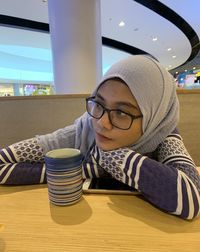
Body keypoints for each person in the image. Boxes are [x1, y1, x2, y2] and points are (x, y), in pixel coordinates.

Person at [0, 55, 200, 220]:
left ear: (154, 116)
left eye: (122, 112)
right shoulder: (84, 129)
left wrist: (111, 158)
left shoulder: (165, 134)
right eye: (99, 103)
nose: (102, 123)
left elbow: (191, 199)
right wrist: (89, 170)